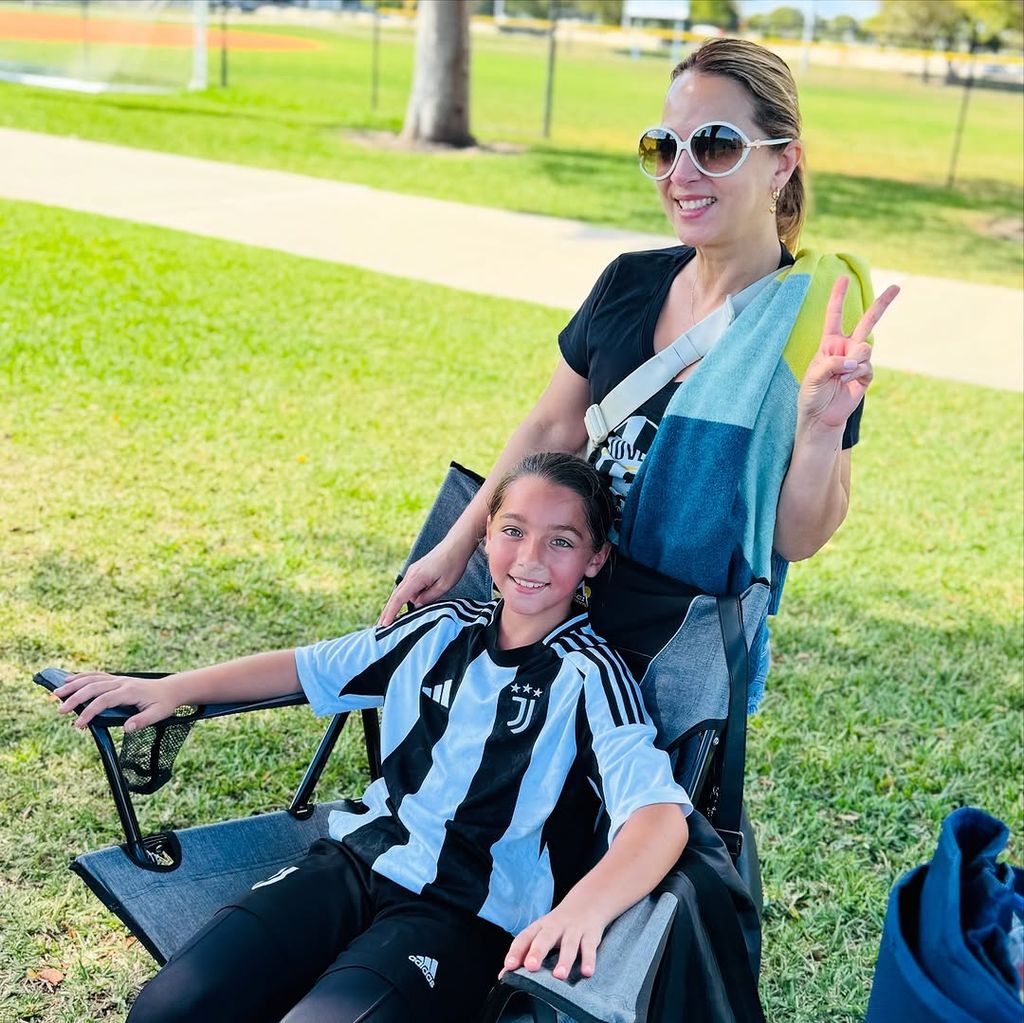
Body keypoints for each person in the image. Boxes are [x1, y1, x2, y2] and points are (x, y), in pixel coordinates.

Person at [54, 453, 691, 1023]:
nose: (529, 558)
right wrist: (175, 688)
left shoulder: (592, 675)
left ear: (595, 558)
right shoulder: (438, 630)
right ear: (486, 537)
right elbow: (307, 667)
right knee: (169, 1006)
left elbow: (661, 819)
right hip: (355, 864)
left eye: (561, 541)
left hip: (464, 915)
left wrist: (584, 908)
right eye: (513, 531)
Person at [381, 38, 900, 710]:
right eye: (663, 147)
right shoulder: (627, 281)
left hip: (680, 652)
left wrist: (821, 426)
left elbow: (795, 538)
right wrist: (460, 548)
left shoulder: (810, 327)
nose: (681, 174)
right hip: (560, 611)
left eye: (715, 146)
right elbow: (551, 427)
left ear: (782, 162)